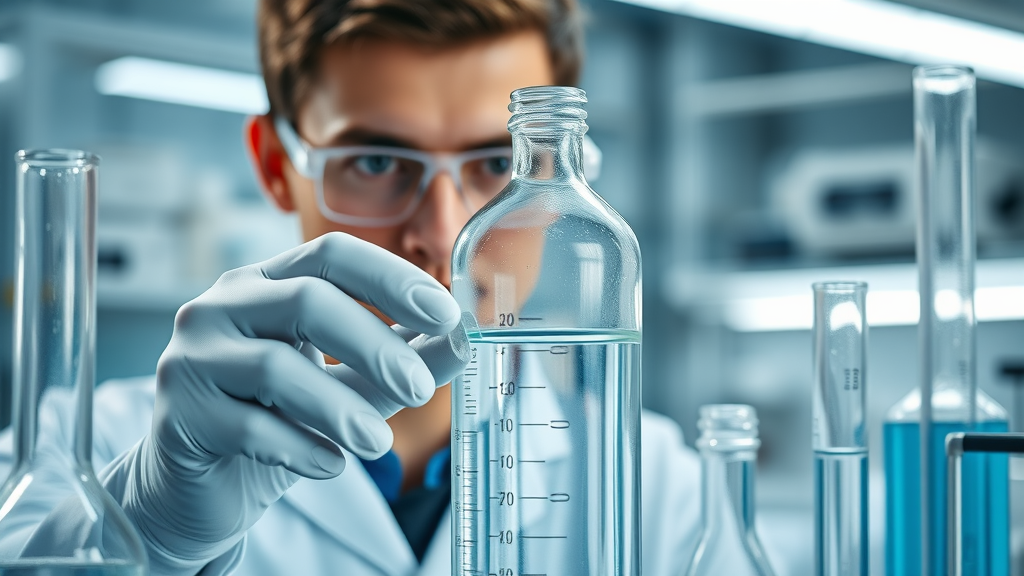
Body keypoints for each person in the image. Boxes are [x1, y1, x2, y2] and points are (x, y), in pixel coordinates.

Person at [0, 1, 702, 574]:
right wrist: (149, 528)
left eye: (498, 163)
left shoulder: (662, 487)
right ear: (277, 166)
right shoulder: (86, 446)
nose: (445, 233)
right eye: (375, 161)